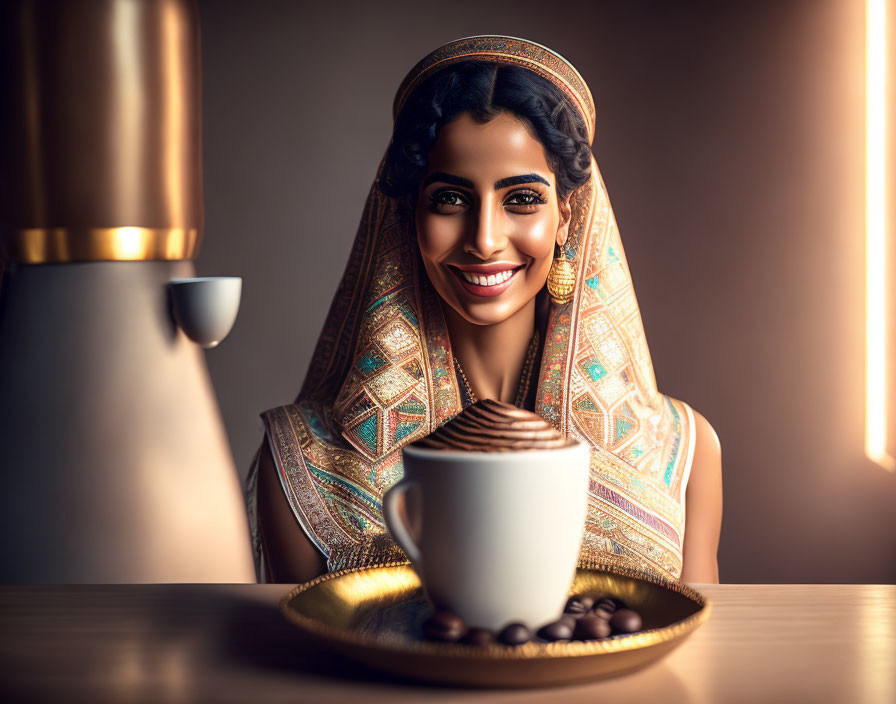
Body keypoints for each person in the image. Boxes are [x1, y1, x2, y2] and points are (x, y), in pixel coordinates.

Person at [246, 36, 722, 585]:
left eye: (521, 199)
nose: (485, 239)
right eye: (450, 199)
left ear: (565, 216)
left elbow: (693, 653)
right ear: (409, 215)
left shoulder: (682, 453)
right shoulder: (305, 460)